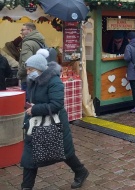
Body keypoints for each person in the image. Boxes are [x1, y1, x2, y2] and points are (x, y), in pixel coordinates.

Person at [21, 52, 89, 189]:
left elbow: (57, 105)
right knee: (29, 158)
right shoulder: (33, 80)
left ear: (40, 68)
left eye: (30, 69)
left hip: (55, 123)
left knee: (65, 152)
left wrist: (35, 109)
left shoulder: (54, 81)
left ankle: (81, 171)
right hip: (35, 123)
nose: (28, 72)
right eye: (27, 69)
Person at [18, 23, 45, 95]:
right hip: (39, 77)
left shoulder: (27, 44)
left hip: (28, 79)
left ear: (29, 30)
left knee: (27, 104)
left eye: (22, 30)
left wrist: (19, 75)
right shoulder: (40, 41)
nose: (21, 32)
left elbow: (26, 64)